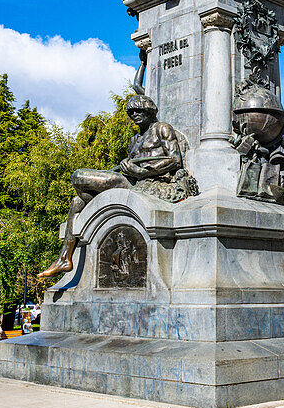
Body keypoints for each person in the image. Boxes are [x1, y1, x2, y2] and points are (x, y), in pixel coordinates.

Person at [40, 52, 194, 279]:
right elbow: (136, 85)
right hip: (128, 179)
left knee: (78, 176)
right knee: (77, 201)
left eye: (139, 111)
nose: (135, 116)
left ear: (150, 111)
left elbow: (174, 160)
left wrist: (141, 170)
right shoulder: (134, 139)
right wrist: (143, 62)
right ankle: (65, 258)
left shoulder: (162, 129)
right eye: (132, 113)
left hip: (138, 182)